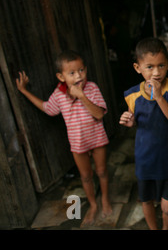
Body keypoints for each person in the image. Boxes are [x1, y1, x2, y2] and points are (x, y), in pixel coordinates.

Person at [16, 50, 112, 226]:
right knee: (86, 176)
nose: (79, 76)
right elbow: (47, 109)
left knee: (102, 171)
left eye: (81, 70)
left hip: (97, 138)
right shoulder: (59, 94)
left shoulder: (92, 88)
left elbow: (99, 114)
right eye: (72, 73)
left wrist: (82, 96)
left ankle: (105, 199)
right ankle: (93, 204)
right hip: (78, 144)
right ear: (61, 77)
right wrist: (24, 91)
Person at [119, 37, 168, 230]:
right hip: (146, 157)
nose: (157, 72)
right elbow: (139, 121)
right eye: (149, 67)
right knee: (147, 200)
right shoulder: (132, 95)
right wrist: (130, 121)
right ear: (138, 68)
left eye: (161, 65)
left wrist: (159, 97)